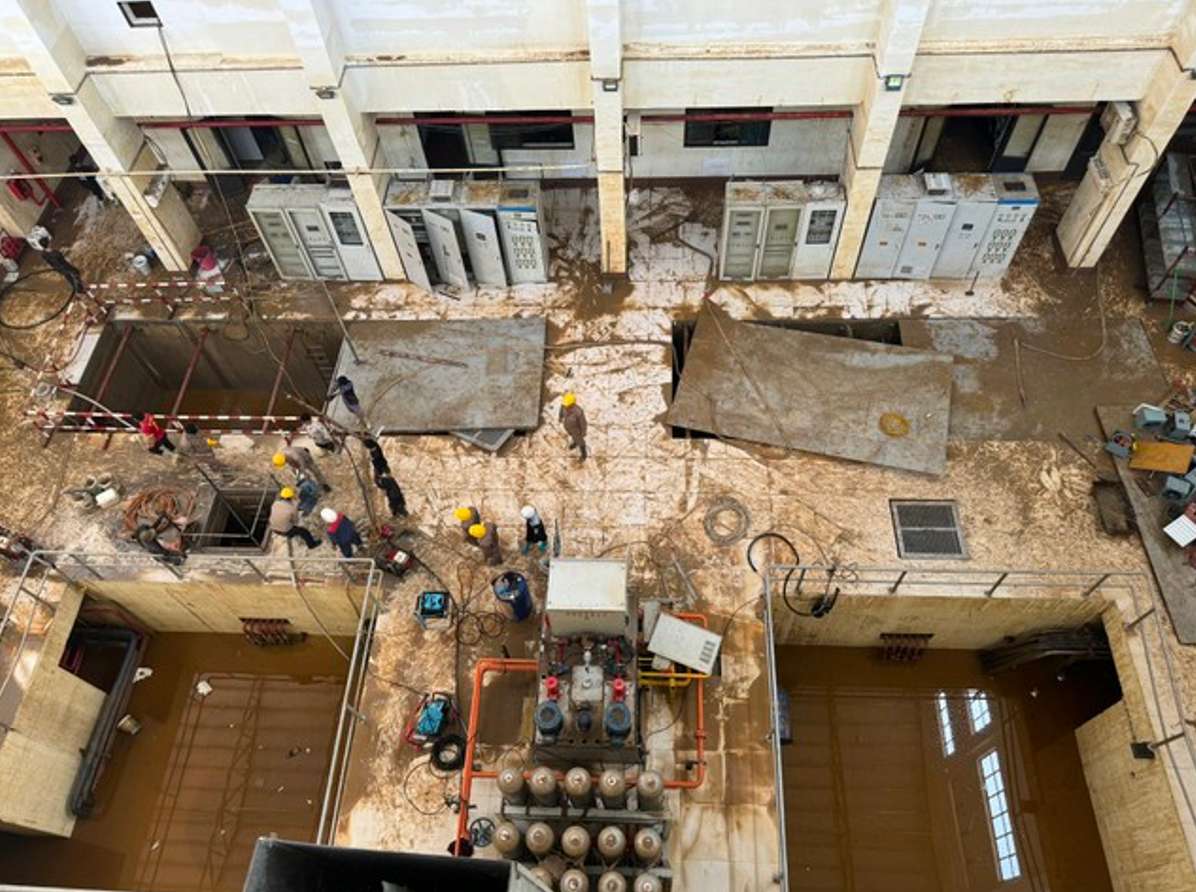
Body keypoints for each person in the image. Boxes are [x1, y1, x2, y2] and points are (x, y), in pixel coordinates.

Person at [558, 392, 588, 461]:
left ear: (572, 404)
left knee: (580, 441)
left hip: (576, 430)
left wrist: (583, 432)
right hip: (568, 427)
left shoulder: (578, 412)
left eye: (567, 405)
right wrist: (560, 417)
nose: (565, 406)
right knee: (573, 436)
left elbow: (583, 423)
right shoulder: (564, 406)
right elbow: (561, 411)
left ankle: (584, 454)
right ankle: (575, 442)